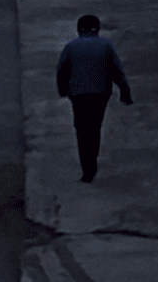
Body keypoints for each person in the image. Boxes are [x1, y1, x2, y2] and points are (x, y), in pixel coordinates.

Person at [56, 14, 132, 182]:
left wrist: (62, 90)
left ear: (78, 29)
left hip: (78, 95)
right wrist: (125, 91)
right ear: (97, 29)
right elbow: (116, 70)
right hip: (100, 93)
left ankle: (87, 167)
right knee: (95, 128)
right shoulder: (105, 45)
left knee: (82, 130)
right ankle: (92, 160)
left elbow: (62, 71)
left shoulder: (70, 47)